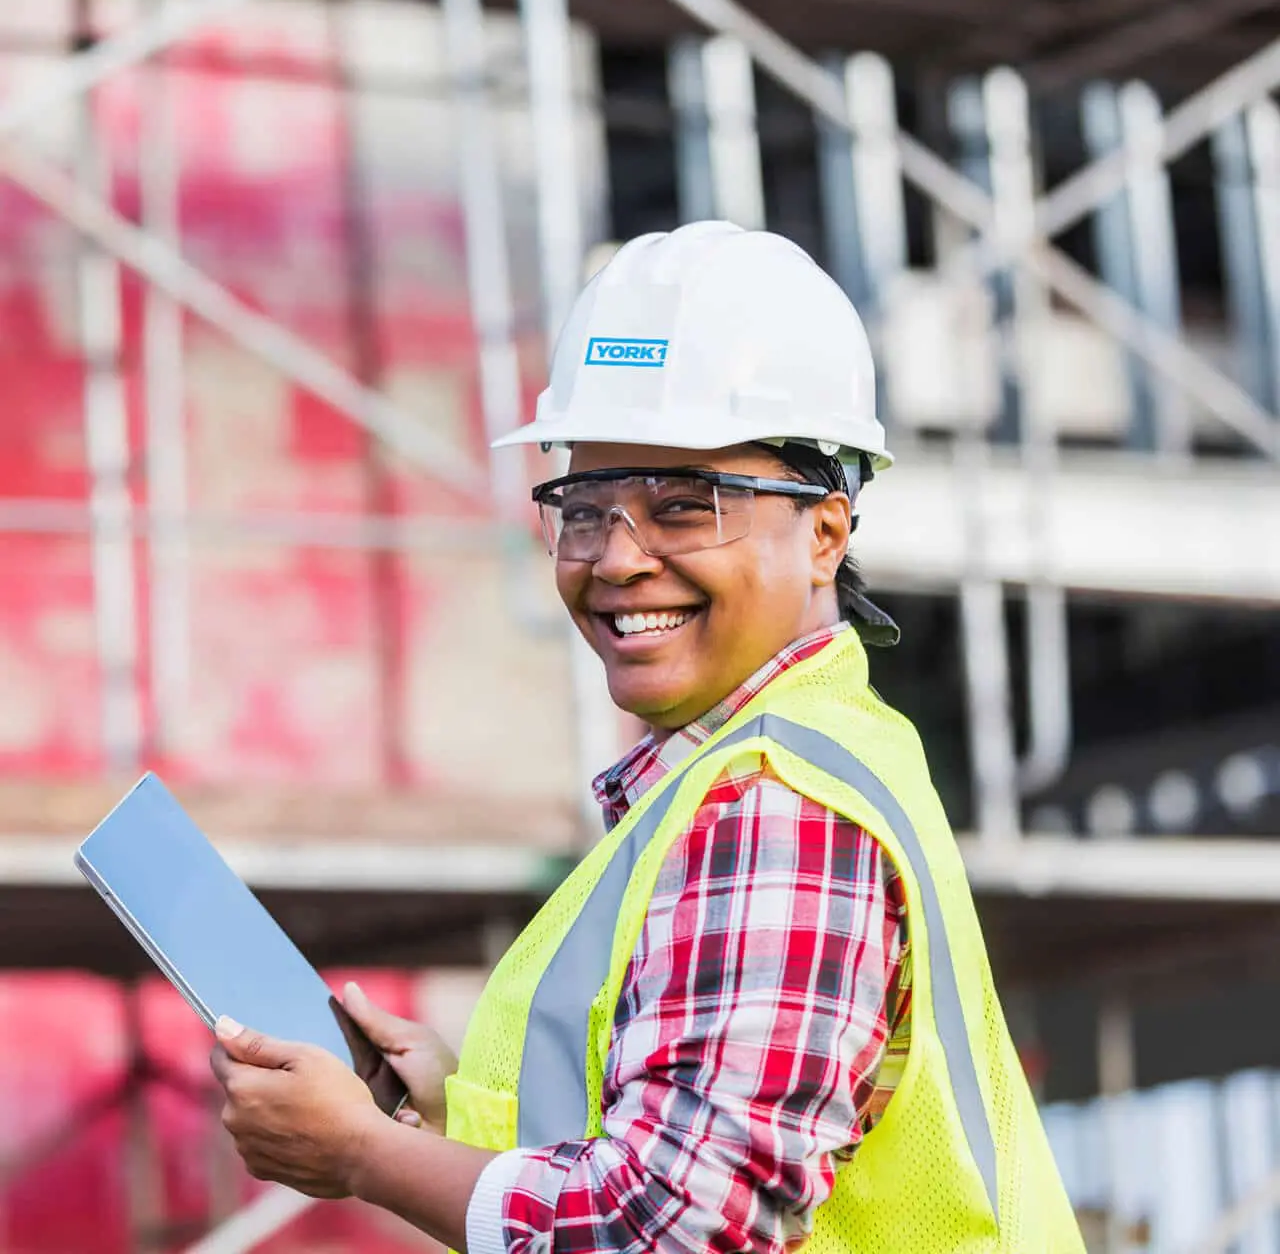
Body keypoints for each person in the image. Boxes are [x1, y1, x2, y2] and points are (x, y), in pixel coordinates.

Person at [211, 221, 1084, 1252]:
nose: (615, 558)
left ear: (825, 531)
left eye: (683, 504)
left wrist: (366, 1154)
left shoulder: (773, 802)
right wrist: (450, 1115)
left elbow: (670, 1228)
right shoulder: (768, 764)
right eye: (582, 506)